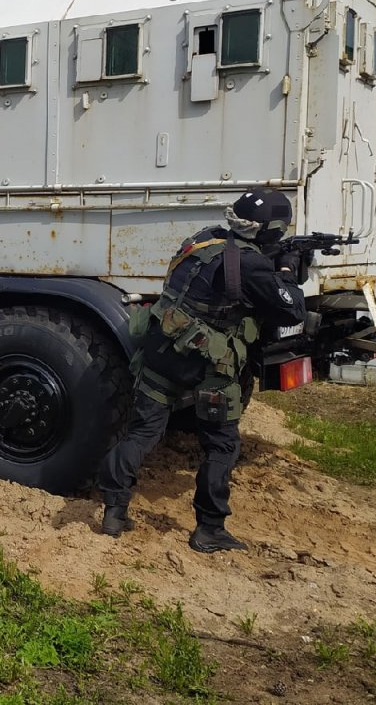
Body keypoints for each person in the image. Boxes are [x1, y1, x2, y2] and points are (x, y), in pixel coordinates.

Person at [98, 188, 307, 553]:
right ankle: (209, 529)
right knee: (221, 445)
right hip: (208, 367)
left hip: (161, 354)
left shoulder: (202, 239)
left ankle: (114, 512)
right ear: (270, 231)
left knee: (143, 432)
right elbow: (292, 309)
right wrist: (287, 269)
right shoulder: (252, 264)